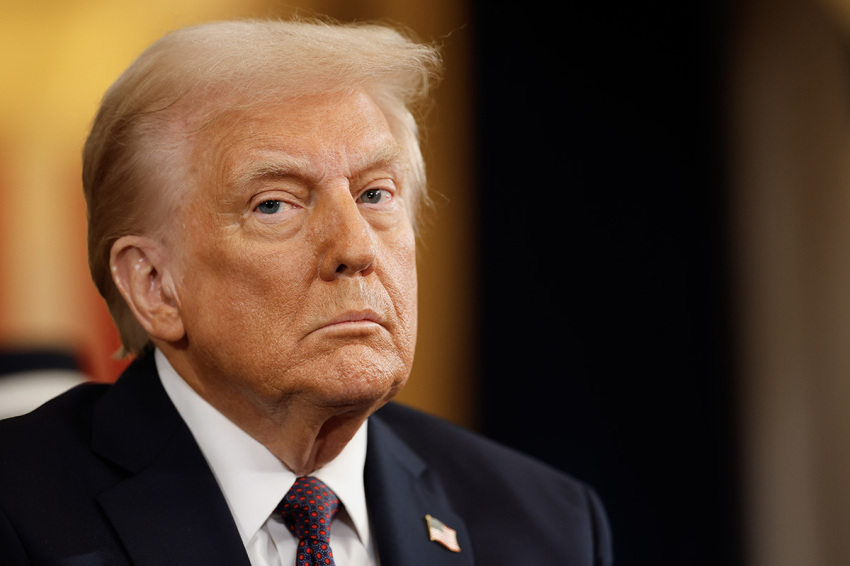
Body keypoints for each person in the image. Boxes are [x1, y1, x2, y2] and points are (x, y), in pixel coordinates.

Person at [0, 19, 613, 566]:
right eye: (275, 205)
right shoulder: (19, 514)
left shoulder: (547, 527)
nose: (356, 248)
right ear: (154, 285)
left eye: (375, 194)